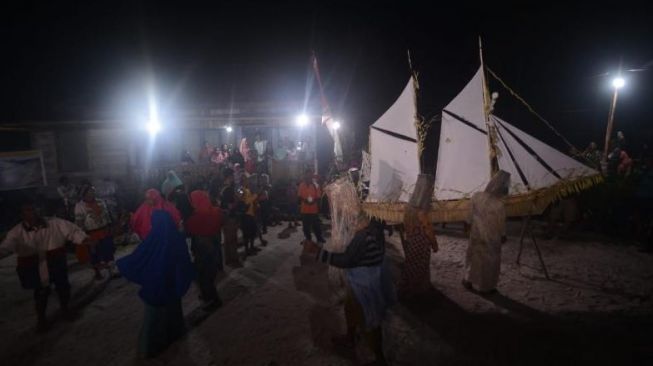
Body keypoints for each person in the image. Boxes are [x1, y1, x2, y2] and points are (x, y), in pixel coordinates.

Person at [307, 215, 395, 366]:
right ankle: (350, 338)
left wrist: (319, 253)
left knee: (370, 322)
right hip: (364, 281)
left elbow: (347, 260)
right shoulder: (375, 230)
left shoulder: (362, 236)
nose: (351, 222)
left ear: (365, 220)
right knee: (351, 309)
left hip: (364, 285)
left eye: (355, 219)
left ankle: (380, 360)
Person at [0, 201, 95, 331]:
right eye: (28, 210)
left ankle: (65, 310)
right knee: (41, 292)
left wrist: (84, 239)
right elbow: (7, 245)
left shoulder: (55, 223)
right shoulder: (16, 232)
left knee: (63, 287)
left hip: (56, 261)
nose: (32, 213)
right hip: (34, 265)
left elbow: (73, 231)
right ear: (22, 214)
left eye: (34, 209)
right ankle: (41, 319)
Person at [117, 210, 195, 358]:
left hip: (155, 288)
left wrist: (122, 264)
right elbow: (184, 261)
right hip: (172, 286)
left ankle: (150, 349)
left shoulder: (152, 240)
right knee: (174, 313)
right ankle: (175, 335)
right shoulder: (177, 239)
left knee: (153, 321)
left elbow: (138, 259)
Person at [463, 170, 510, 294]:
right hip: (492, 237)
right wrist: (503, 236)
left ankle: (468, 280)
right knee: (490, 262)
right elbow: (501, 223)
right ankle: (486, 287)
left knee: (473, 257)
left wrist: (467, 227)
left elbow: (469, 216)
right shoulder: (499, 204)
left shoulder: (477, 196)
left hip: (476, 235)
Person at [186, 190, 224, 310]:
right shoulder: (216, 211)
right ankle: (208, 297)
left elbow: (187, 231)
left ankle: (214, 301)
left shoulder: (194, 218)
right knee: (209, 275)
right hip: (214, 247)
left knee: (203, 277)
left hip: (202, 251)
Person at [75, 184, 118, 280]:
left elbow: (107, 215)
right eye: (89, 192)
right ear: (84, 194)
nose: (92, 193)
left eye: (93, 191)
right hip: (91, 233)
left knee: (108, 250)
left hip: (104, 230)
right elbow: (79, 222)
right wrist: (83, 236)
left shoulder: (100, 201)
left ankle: (112, 270)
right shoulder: (80, 206)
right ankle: (98, 272)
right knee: (95, 253)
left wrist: (110, 226)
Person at [220, 169, 241, 267]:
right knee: (232, 239)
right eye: (232, 175)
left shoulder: (221, 187)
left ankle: (228, 259)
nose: (233, 177)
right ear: (229, 176)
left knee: (227, 239)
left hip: (224, 216)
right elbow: (230, 206)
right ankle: (234, 259)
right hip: (230, 217)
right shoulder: (228, 189)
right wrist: (238, 199)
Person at [298, 170, 325, 244]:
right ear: (305, 175)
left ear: (312, 176)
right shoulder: (301, 185)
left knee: (316, 226)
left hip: (314, 209)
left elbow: (319, 196)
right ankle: (308, 239)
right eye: (307, 175)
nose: (308, 177)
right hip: (304, 210)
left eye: (310, 175)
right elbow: (299, 196)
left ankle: (319, 238)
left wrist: (314, 202)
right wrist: (305, 200)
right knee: (305, 227)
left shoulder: (316, 185)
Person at [239, 176, 262, 256]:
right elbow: (244, 201)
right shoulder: (241, 190)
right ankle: (247, 249)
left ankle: (251, 247)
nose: (248, 181)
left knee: (252, 232)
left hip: (251, 213)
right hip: (246, 215)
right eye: (246, 180)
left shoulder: (247, 189)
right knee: (246, 233)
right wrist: (255, 195)